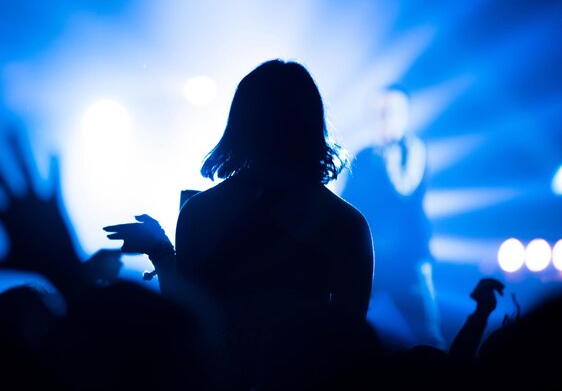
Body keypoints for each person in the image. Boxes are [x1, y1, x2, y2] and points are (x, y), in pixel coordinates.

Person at [105, 59, 376, 390]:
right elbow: (351, 347)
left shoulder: (199, 211)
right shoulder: (346, 224)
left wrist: (162, 253)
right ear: (311, 122)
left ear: (242, 122)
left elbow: (185, 324)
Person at [339, 84, 445, 351]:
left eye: (391, 111)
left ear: (405, 114)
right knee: (346, 328)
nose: (384, 117)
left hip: (408, 262)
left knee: (429, 339)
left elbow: (405, 188)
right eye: (379, 111)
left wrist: (390, 159)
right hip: (370, 259)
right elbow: (345, 203)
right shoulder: (364, 156)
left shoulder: (413, 150)